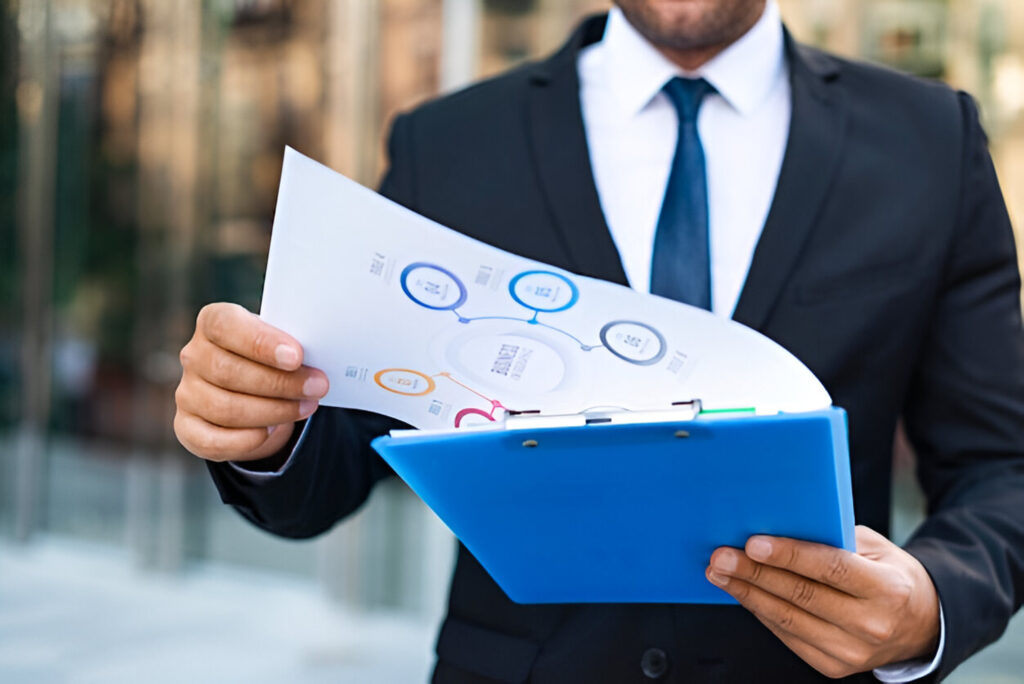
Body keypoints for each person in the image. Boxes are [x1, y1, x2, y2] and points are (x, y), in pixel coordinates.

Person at [173, 0, 1024, 681]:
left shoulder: (929, 143)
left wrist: (929, 604)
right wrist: (266, 430)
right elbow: (341, 457)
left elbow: (1002, 467)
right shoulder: (450, 145)